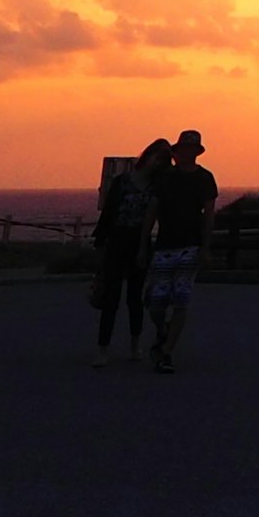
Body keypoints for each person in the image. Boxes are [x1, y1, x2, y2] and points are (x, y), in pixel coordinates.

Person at [144, 129, 216, 373]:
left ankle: (166, 352)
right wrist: (143, 243)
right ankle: (163, 330)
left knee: (181, 301)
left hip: (190, 246)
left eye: (190, 149)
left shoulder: (205, 178)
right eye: (183, 148)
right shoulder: (165, 179)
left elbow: (209, 215)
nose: (186, 153)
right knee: (156, 303)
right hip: (165, 245)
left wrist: (205, 248)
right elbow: (152, 211)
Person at [87, 140, 163, 367]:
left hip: (139, 241)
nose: (158, 162)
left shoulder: (157, 186)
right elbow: (109, 212)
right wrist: (100, 241)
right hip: (117, 240)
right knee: (111, 297)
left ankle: (134, 344)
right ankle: (103, 348)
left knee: (134, 298)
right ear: (147, 156)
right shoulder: (122, 182)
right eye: (156, 156)